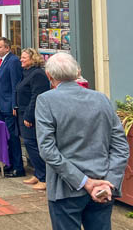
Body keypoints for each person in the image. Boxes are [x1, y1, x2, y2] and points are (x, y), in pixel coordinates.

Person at [35, 53, 129, 230]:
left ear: (49, 76)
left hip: (66, 189)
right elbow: (120, 146)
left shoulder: (46, 100)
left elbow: (47, 150)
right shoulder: (101, 98)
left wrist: (85, 182)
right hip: (102, 185)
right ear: (78, 72)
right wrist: (110, 181)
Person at [15, 48, 50, 191]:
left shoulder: (38, 74)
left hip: (31, 115)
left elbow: (36, 96)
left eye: (24, 57)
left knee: (33, 145)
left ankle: (44, 178)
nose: (21, 59)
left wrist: (29, 116)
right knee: (30, 145)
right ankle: (37, 173)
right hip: (23, 112)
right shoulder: (26, 73)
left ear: (33, 58)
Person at [0, 37, 24, 177]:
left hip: (8, 104)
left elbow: (14, 85)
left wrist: (14, 105)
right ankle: (8, 164)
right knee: (4, 136)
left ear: (7, 48)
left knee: (12, 136)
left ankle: (18, 167)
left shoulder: (13, 61)